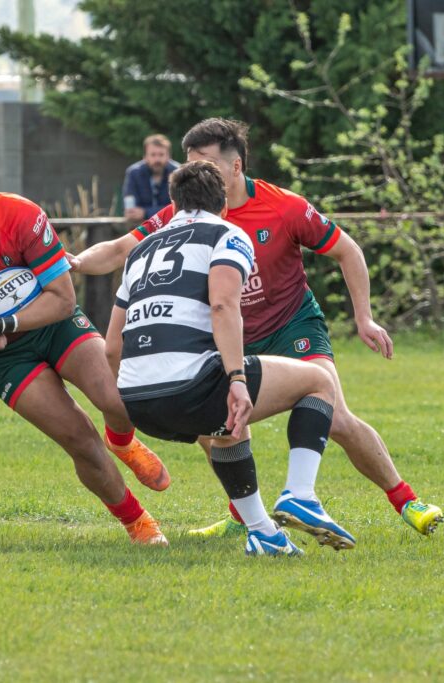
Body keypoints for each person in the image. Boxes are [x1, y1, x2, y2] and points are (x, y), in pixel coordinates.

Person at [70, 118, 443, 537]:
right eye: (192, 164)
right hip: (228, 335)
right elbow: (121, 249)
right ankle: (248, 518)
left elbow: (348, 250)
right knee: (217, 429)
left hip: (290, 325)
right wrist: (77, 262)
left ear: (236, 166)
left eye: (206, 164)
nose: (198, 173)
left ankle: (405, 500)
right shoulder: (187, 213)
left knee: (335, 415)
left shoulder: (283, 206)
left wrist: (364, 316)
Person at [0, 166, 170, 547]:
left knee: (116, 399)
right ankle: (136, 520)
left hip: (53, 322)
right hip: (2, 358)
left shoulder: (21, 215)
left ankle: (122, 441)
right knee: (78, 438)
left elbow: (63, 300)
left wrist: (1, 322)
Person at [111, 159, 356, 556]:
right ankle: (301, 494)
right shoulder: (226, 232)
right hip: (186, 388)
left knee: (228, 427)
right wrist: (238, 380)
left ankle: (264, 533)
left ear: (173, 206)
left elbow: (110, 347)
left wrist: (124, 408)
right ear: (223, 205)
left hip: (138, 404)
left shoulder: (139, 251)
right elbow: (223, 306)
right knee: (320, 382)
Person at [122, 134, 179, 224]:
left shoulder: (178, 172)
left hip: (171, 223)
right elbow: (131, 210)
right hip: (140, 225)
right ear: (145, 157)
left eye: (161, 155)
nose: (157, 159)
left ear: (168, 156)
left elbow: (179, 208)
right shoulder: (134, 172)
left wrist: (145, 212)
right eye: (153, 155)